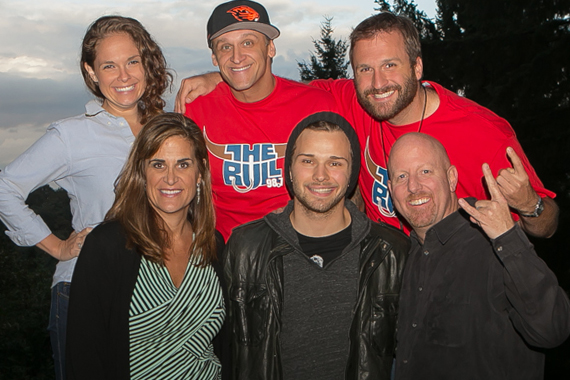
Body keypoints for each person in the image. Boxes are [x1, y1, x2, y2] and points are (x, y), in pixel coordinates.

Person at [175, 12, 558, 239]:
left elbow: (548, 226)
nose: (378, 83)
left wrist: (529, 205)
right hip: (387, 276)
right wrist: (220, 77)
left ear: (418, 67)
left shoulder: (481, 132)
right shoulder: (353, 101)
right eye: (365, 69)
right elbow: (273, 87)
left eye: (390, 65)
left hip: (463, 289)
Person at [0, 15, 171, 380]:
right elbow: (5, 188)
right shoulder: (72, 135)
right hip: (85, 292)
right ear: (91, 73)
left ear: (147, 62)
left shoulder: (165, 129)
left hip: (157, 295)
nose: (123, 76)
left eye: (132, 62)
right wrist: (58, 247)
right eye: (109, 65)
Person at [223, 111, 409, 380]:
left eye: (335, 163)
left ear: (352, 173)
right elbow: (228, 351)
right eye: (308, 161)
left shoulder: (391, 252)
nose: (320, 175)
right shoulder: (245, 248)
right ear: (289, 168)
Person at [387, 132, 570, 379]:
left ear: (452, 178)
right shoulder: (403, 255)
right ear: (390, 190)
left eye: (425, 172)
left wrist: (507, 237)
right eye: (401, 176)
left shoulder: (493, 240)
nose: (412, 186)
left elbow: (552, 329)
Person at [66, 113, 225, 380]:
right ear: (142, 171)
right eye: (158, 165)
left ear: (200, 173)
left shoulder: (213, 245)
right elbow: (84, 356)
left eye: (183, 164)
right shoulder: (107, 245)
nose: (171, 178)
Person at [179, 0, 337, 239]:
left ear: (270, 48)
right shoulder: (195, 107)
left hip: (299, 247)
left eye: (248, 43)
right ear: (214, 58)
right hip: (227, 251)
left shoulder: (316, 106)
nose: (236, 57)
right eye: (225, 47)